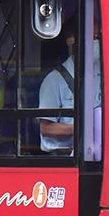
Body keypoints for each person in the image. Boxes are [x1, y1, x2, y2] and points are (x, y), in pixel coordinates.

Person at [38, 21, 76, 154]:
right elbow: (46, 128)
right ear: (71, 42)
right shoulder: (54, 80)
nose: (97, 44)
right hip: (64, 157)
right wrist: (83, 129)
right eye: (93, 38)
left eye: (99, 37)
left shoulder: (105, 74)